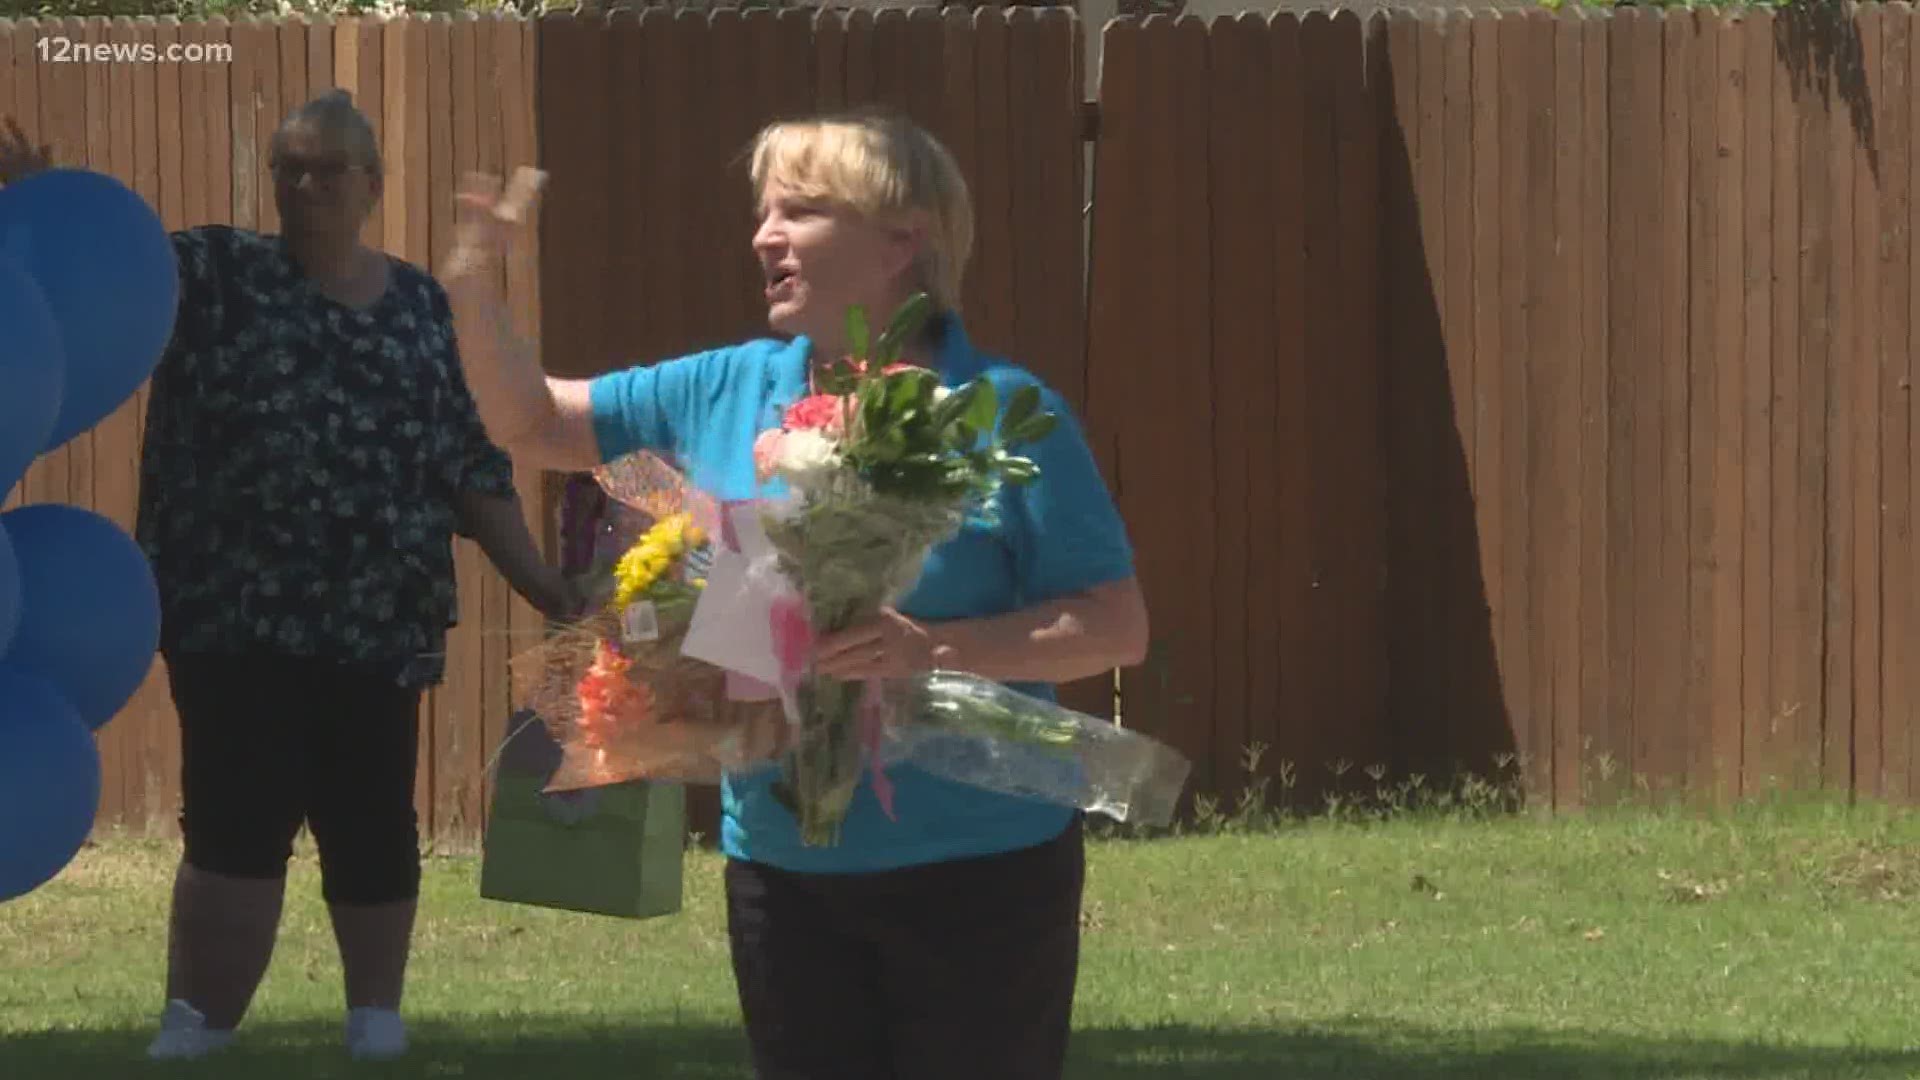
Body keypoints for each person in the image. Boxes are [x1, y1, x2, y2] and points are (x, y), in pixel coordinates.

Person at [445, 109, 1149, 1079]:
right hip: (783, 868)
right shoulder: (723, 388)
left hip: (981, 870)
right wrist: (475, 296)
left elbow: (1113, 627)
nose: (765, 234)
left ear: (907, 234)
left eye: (803, 210)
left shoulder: (995, 410)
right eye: (764, 211)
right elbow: (529, 421)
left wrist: (927, 648)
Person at [0, 94, 579, 1062]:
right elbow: (107, 273)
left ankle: (376, 1025)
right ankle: (197, 1027)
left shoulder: (415, 308)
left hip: (377, 617)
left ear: (371, 185)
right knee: (234, 816)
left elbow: (466, 466)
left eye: (326, 169)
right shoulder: (218, 274)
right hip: (234, 613)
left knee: (373, 820)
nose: (305, 187)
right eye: (290, 170)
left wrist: (543, 585)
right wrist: (35, 198)